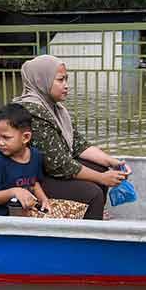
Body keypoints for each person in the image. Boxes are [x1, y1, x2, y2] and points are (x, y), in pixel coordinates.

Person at [15, 54, 127, 221]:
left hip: (49, 171)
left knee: (101, 168)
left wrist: (113, 162)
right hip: (30, 179)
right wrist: (102, 179)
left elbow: (78, 144)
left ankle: (93, 214)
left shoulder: (55, 109)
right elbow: (59, 165)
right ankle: (89, 231)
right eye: (60, 80)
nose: (66, 86)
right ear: (41, 80)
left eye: (66, 79)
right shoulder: (33, 111)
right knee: (93, 193)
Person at [0, 104, 51, 216]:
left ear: (25, 137)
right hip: (2, 217)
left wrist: (43, 199)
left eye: (6, 137)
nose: (0, 143)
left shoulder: (36, 155)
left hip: (28, 211)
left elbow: (34, 183)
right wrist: (14, 191)